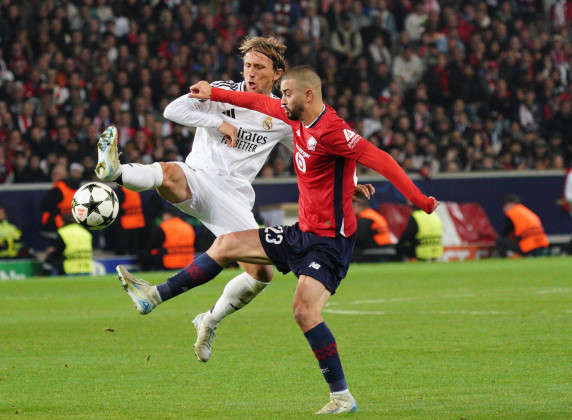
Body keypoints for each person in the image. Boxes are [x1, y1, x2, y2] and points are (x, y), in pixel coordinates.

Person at [114, 66, 438, 414]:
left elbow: (383, 160)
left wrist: (421, 200)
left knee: (304, 312)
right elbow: (251, 100)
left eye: (287, 93)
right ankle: (153, 295)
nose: (281, 100)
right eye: (281, 93)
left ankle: (341, 397)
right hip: (301, 234)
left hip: (329, 243)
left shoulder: (334, 131)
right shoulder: (293, 118)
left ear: (308, 95)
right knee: (224, 246)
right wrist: (213, 92)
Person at [95, 36, 373, 362]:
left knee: (262, 275)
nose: (251, 73)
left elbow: (316, 149)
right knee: (168, 172)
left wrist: (348, 181)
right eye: (247, 65)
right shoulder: (222, 90)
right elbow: (173, 109)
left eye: (259, 67)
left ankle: (208, 320)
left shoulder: (284, 115)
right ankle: (115, 173)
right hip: (197, 177)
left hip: (232, 197)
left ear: (278, 74)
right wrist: (218, 121)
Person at [39, 164, 80, 239]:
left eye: (55, 174)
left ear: (63, 174)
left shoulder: (59, 188)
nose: (53, 176)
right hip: (75, 223)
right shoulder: (76, 187)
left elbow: (45, 205)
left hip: (58, 224)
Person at [352, 196, 397, 262]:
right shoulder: (374, 215)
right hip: (387, 245)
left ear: (360, 206)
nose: (352, 209)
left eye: (353, 206)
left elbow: (360, 237)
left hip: (376, 247)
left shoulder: (365, 217)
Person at [113, 186, 146, 255]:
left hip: (125, 221)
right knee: (134, 245)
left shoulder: (122, 190)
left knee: (122, 244)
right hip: (137, 220)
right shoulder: (134, 188)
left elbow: (117, 205)